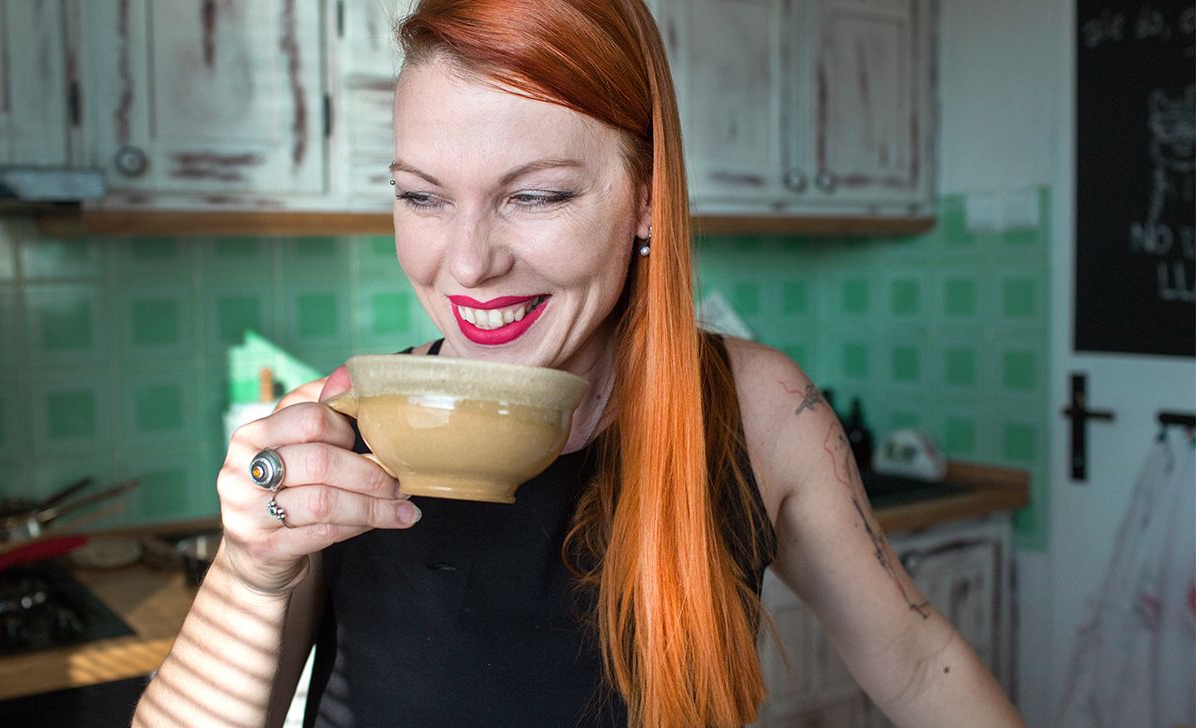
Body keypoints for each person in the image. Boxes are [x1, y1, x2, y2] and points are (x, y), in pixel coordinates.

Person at [131, 1, 1027, 726]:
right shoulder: (341, 427)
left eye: (536, 195)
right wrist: (252, 567)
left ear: (645, 200)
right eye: (422, 197)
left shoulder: (761, 413)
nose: (470, 262)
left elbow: (916, 668)